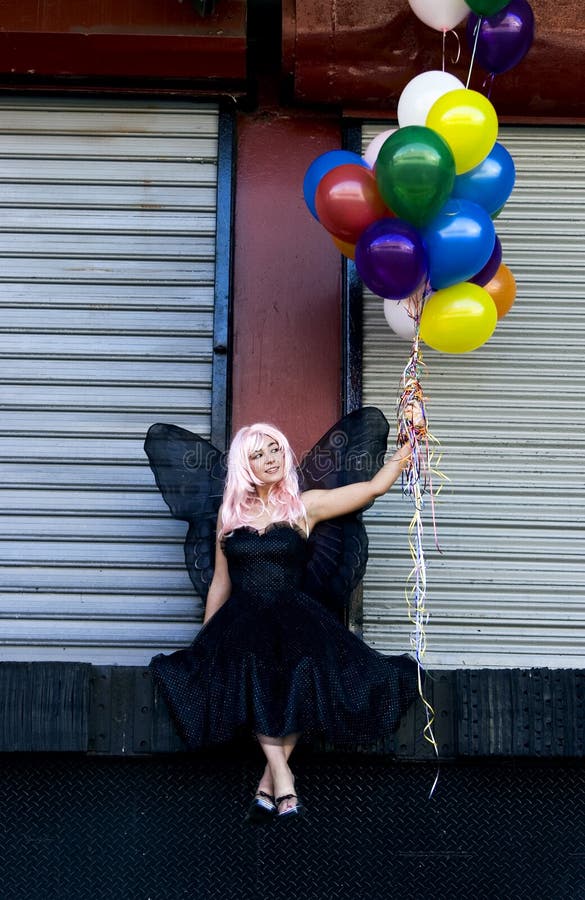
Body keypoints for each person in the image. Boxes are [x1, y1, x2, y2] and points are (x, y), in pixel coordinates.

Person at [148, 407, 422, 824]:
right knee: (251, 669)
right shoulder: (229, 516)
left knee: (306, 672)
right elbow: (221, 582)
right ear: (245, 463)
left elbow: (371, 489)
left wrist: (409, 446)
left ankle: (269, 781)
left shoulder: (303, 507)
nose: (272, 458)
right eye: (260, 454)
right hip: (242, 619)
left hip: (295, 615)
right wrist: (206, 640)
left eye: (276, 449)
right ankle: (282, 781)